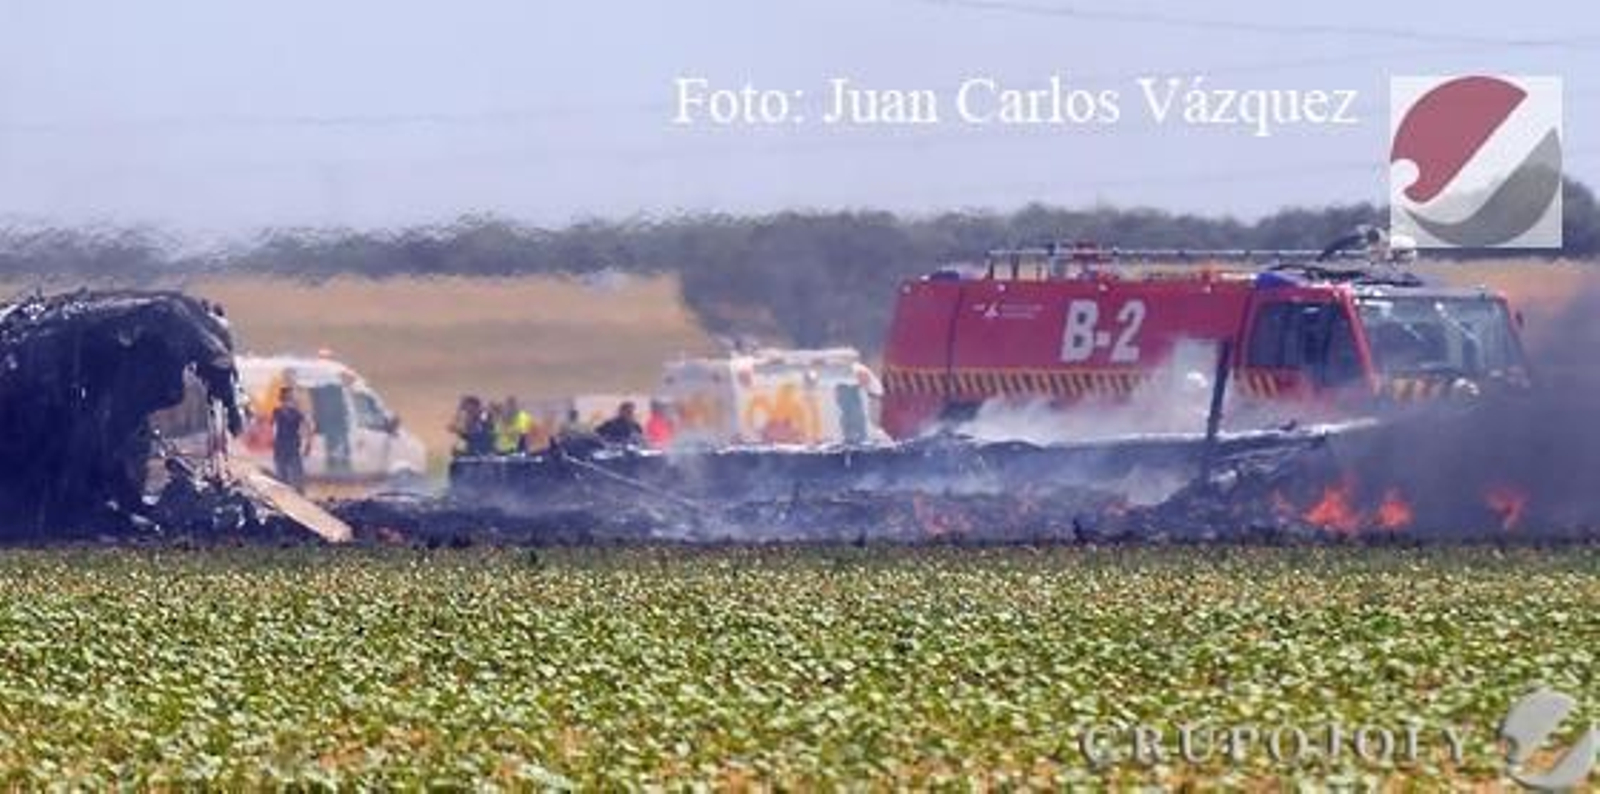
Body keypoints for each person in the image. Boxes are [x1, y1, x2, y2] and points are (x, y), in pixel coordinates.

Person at [270, 386, 311, 492]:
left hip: (289, 447)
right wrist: (307, 444)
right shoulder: (278, 412)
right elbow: (273, 429)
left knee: (291, 477)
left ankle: (297, 496)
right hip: (283, 447)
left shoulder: (295, 413)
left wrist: (307, 444)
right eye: (289, 397)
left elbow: (307, 427)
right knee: (285, 477)